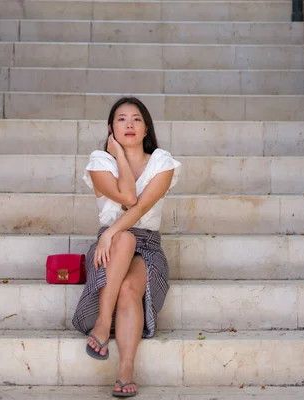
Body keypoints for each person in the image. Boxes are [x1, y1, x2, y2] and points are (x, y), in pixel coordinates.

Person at [72, 97, 181, 397]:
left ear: (146, 129)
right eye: (121, 119)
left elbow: (143, 204)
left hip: (147, 246)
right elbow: (129, 197)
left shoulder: (162, 161)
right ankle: (104, 321)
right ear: (111, 129)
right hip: (112, 246)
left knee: (130, 286)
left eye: (136, 119)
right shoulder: (100, 161)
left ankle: (125, 368)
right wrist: (119, 156)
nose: (130, 124)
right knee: (124, 238)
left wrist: (112, 233)